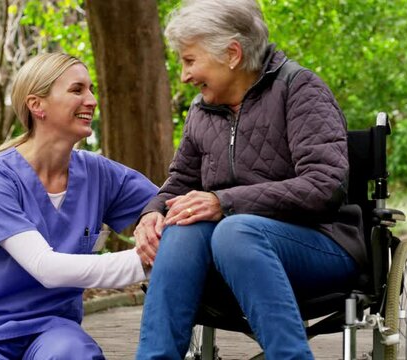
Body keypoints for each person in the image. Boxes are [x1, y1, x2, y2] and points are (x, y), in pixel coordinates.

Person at [134, 1, 366, 359]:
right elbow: (181, 180)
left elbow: (325, 186)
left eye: (189, 60)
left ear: (232, 54)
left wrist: (224, 202)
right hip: (232, 250)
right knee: (180, 227)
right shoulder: (201, 110)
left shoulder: (300, 89)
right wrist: (152, 212)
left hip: (320, 243)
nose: (184, 76)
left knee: (235, 229)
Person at [0, 53, 158, 360]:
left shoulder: (98, 174)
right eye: (77, 90)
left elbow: (167, 203)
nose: (92, 100)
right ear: (36, 105)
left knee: (74, 354)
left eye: (91, 89)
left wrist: (154, 216)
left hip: (53, 330)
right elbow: (46, 268)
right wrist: (149, 260)